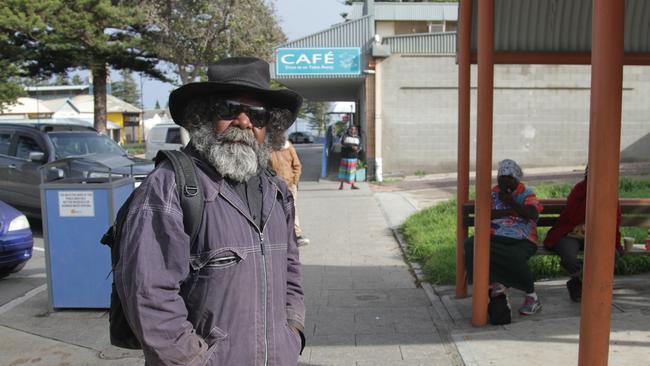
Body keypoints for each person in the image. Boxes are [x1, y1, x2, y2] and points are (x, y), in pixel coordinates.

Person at [115, 57, 305, 366]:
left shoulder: (276, 191)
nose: (244, 122)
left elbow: (291, 272)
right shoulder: (168, 189)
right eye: (228, 109)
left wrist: (292, 333)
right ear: (203, 115)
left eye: (257, 115)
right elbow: (149, 297)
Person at [464, 159, 544, 316]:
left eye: (507, 177)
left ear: (515, 179)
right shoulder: (492, 194)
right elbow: (484, 213)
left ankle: (530, 295)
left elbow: (532, 214)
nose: (502, 181)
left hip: (524, 239)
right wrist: (510, 212)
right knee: (471, 244)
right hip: (496, 235)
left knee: (514, 256)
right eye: (500, 177)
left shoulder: (526, 193)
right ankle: (490, 284)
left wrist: (511, 203)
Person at [543, 166, 623, 302]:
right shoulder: (579, 190)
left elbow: (614, 219)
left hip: (597, 235)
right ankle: (584, 282)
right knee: (568, 257)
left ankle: (576, 283)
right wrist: (591, 197)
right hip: (571, 233)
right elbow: (573, 216)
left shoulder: (609, 193)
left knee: (611, 255)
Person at [270, 138, 310, 247]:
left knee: (292, 209)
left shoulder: (289, 147)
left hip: (290, 185)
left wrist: (294, 181)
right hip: (274, 186)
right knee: (275, 210)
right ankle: (279, 235)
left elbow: (297, 165)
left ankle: (296, 235)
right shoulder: (268, 149)